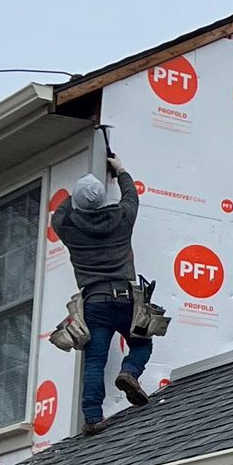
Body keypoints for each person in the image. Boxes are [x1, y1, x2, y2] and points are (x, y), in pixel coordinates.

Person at [51, 157, 153, 435]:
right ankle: (130, 372)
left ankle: (93, 418)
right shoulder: (122, 217)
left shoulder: (67, 227)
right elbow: (131, 195)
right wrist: (120, 169)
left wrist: (77, 193)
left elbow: (60, 212)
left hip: (94, 302)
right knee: (142, 345)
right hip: (125, 298)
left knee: (95, 360)